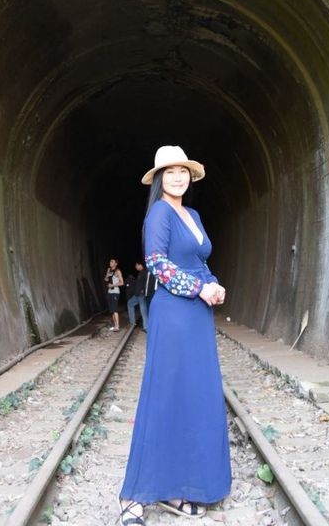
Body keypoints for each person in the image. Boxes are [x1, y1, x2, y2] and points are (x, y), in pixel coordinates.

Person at [119, 145, 231, 525]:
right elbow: (157, 264)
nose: (178, 177)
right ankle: (135, 494)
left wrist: (213, 285)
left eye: (182, 171)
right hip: (174, 314)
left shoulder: (193, 214)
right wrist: (198, 289)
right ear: (159, 180)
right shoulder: (159, 214)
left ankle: (183, 486)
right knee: (164, 394)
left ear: (189, 175)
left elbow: (199, 260)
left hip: (198, 317)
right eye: (169, 172)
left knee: (195, 397)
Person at [126, 262, 149, 331]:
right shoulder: (140, 273)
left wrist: (144, 291)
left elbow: (147, 283)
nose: (135, 267)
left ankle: (146, 327)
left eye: (136, 265)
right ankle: (132, 323)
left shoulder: (145, 272)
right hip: (137, 295)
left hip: (141, 295)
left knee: (143, 311)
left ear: (140, 265)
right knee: (130, 303)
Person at [104, 257, 124, 331]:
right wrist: (107, 276)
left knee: (115, 309)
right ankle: (115, 325)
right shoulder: (109, 270)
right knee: (112, 310)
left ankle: (117, 326)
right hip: (109, 292)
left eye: (112, 262)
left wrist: (112, 285)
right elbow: (105, 279)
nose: (110, 263)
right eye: (110, 261)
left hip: (115, 292)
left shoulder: (118, 271)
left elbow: (122, 283)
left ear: (115, 263)